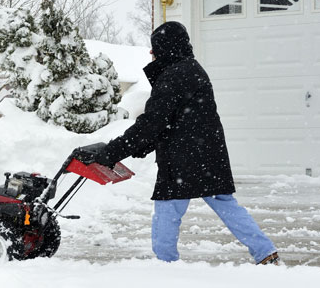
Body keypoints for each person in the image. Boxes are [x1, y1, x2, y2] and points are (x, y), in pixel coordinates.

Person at [73, 21, 279, 265]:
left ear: (166, 48)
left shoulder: (174, 76)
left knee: (167, 207)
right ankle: (265, 251)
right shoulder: (191, 69)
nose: (151, 53)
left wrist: (111, 152)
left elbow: (152, 123)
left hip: (184, 158)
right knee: (225, 204)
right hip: (208, 152)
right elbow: (174, 120)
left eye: (155, 48)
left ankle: (165, 263)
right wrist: (144, 146)